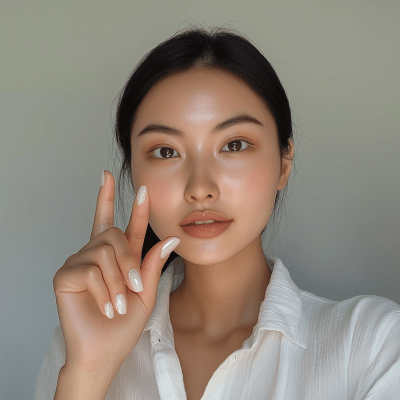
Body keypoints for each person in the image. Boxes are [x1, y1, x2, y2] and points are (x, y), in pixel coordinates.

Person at [33, 25, 400, 400]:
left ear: (284, 162)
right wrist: (90, 371)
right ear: (132, 172)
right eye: (165, 152)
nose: (199, 187)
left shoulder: (371, 344)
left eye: (234, 144)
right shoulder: (84, 338)